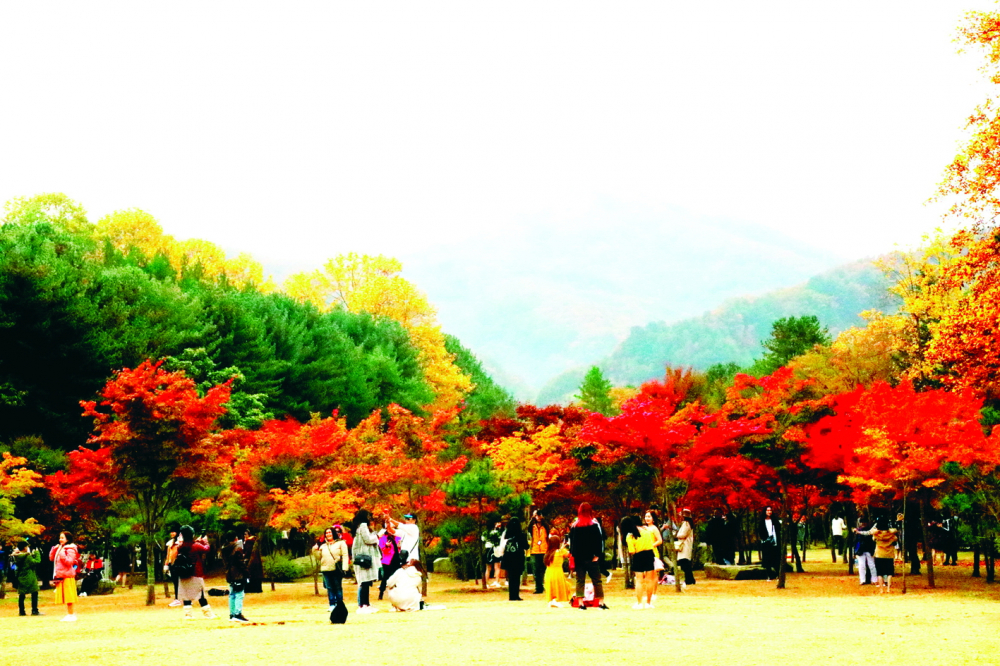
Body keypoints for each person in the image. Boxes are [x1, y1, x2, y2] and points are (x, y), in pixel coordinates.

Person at [568, 502, 608, 610]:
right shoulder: (594, 525)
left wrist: (573, 555)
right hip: (592, 558)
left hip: (579, 558)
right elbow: (599, 542)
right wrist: (597, 555)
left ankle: (581, 603)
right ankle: (601, 603)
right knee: (597, 580)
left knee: (580, 580)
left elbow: (572, 543)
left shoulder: (575, 526)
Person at [176, 525, 215, 620]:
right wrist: (205, 541)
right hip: (196, 572)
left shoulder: (180, 547)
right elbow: (206, 549)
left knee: (186, 595)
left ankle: (188, 615)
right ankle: (208, 614)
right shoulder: (196, 546)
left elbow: (191, 545)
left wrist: (198, 541)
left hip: (184, 573)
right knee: (200, 594)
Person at [622, 515, 656, 608]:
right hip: (649, 554)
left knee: (639, 580)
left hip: (638, 556)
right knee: (649, 580)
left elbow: (631, 551)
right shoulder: (647, 531)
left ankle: (639, 603)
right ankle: (649, 603)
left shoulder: (630, 536)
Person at [313, 525, 349, 611]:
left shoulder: (341, 543)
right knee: (329, 588)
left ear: (333, 533)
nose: (328, 534)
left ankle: (340, 604)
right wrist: (314, 550)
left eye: (330, 532)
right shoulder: (323, 546)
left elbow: (345, 555)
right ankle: (332, 604)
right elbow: (319, 557)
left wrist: (345, 567)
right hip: (326, 569)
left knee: (337, 587)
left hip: (336, 569)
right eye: (326, 533)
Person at [352, 509, 381, 613]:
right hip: (365, 558)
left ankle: (366, 604)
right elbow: (368, 540)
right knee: (365, 583)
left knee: (365, 582)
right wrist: (378, 536)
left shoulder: (357, 527)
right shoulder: (363, 526)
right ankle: (364, 605)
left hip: (361, 557)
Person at [49, 531, 80, 622]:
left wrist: (62, 553)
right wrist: (54, 550)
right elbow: (51, 558)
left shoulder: (70, 549)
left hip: (67, 575)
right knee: (65, 596)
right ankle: (69, 614)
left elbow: (69, 562)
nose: (60, 540)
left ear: (68, 539)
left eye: (62, 538)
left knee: (69, 596)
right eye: (60, 537)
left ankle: (71, 614)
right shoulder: (61, 548)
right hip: (61, 575)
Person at [220, 531, 250, 622]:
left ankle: (232, 614)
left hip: (229, 573)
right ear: (235, 538)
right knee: (239, 594)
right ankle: (238, 613)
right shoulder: (237, 548)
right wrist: (246, 573)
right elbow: (240, 563)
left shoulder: (224, 548)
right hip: (237, 573)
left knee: (232, 594)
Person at [500, 517, 529, 601]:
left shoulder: (506, 534)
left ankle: (511, 595)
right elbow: (526, 546)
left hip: (508, 558)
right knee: (516, 577)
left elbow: (502, 546)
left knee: (511, 577)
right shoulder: (521, 534)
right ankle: (516, 595)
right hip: (518, 558)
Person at [12, 539, 41, 616]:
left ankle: (22, 611)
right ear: (24, 547)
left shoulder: (16, 556)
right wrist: (37, 553)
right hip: (29, 576)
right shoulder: (27, 557)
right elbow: (36, 562)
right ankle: (34, 610)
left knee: (22, 595)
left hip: (21, 577)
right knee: (34, 593)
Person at [542, 535, 571, 607]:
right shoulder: (561, 552)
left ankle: (551, 600)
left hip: (548, 572)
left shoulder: (548, 553)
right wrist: (569, 545)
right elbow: (569, 554)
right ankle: (556, 600)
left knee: (551, 587)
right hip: (557, 572)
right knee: (558, 586)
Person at [377, 521, 403, 601]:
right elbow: (382, 549)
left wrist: (400, 546)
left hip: (397, 559)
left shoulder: (398, 537)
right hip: (387, 559)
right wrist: (386, 546)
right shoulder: (383, 538)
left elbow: (401, 548)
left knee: (397, 576)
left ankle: (397, 593)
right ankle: (381, 592)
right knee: (386, 577)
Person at [871, 520, 899, 593]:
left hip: (879, 555)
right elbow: (895, 538)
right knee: (889, 573)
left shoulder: (876, 535)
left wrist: (877, 530)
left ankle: (881, 589)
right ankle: (888, 589)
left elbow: (872, 535)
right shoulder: (891, 535)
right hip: (889, 555)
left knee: (879, 573)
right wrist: (890, 531)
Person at [527, 511, 549, 594]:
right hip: (535, 551)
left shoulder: (545, 526)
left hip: (544, 550)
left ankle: (542, 586)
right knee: (535, 570)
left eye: (540, 515)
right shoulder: (532, 527)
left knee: (543, 570)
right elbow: (527, 528)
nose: (539, 517)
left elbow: (548, 535)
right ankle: (538, 587)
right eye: (537, 515)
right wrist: (533, 517)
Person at [675, 508, 696, 587]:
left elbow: (683, 535)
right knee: (685, 563)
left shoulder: (686, 524)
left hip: (685, 545)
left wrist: (676, 535)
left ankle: (689, 579)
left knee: (685, 563)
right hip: (685, 545)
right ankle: (689, 579)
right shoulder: (687, 523)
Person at [758, 507, 780, 580]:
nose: (769, 512)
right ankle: (769, 575)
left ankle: (777, 574)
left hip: (775, 542)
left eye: (770, 510)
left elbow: (778, 530)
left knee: (776, 558)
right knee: (767, 559)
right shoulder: (762, 521)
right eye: (767, 510)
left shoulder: (775, 521)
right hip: (766, 543)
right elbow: (760, 532)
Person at [854, 519, 876, 586]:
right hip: (861, 550)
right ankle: (862, 580)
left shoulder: (870, 530)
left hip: (869, 549)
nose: (863, 524)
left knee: (871, 565)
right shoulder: (858, 530)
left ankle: (874, 580)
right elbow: (856, 541)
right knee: (861, 565)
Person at [482, 519, 503, 589]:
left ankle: (486, 583)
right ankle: (497, 581)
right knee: (497, 567)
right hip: (496, 549)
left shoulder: (485, 533)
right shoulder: (497, 532)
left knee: (488, 568)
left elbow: (483, 539)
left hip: (488, 549)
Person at [164, 524, 182, 607]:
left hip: (179, 564)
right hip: (172, 564)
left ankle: (181, 598)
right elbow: (168, 555)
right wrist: (166, 564)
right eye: (171, 532)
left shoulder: (180, 542)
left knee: (181, 582)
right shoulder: (171, 543)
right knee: (175, 582)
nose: (172, 533)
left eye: (173, 532)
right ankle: (177, 598)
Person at [244, 529, 264, 593]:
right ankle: (257, 589)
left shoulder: (249, 541)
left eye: (245, 534)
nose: (244, 536)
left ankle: (251, 589)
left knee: (251, 575)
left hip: (251, 561)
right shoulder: (255, 541)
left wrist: (244, 555)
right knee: (256, 576)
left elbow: (248, 552)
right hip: (256, 561)